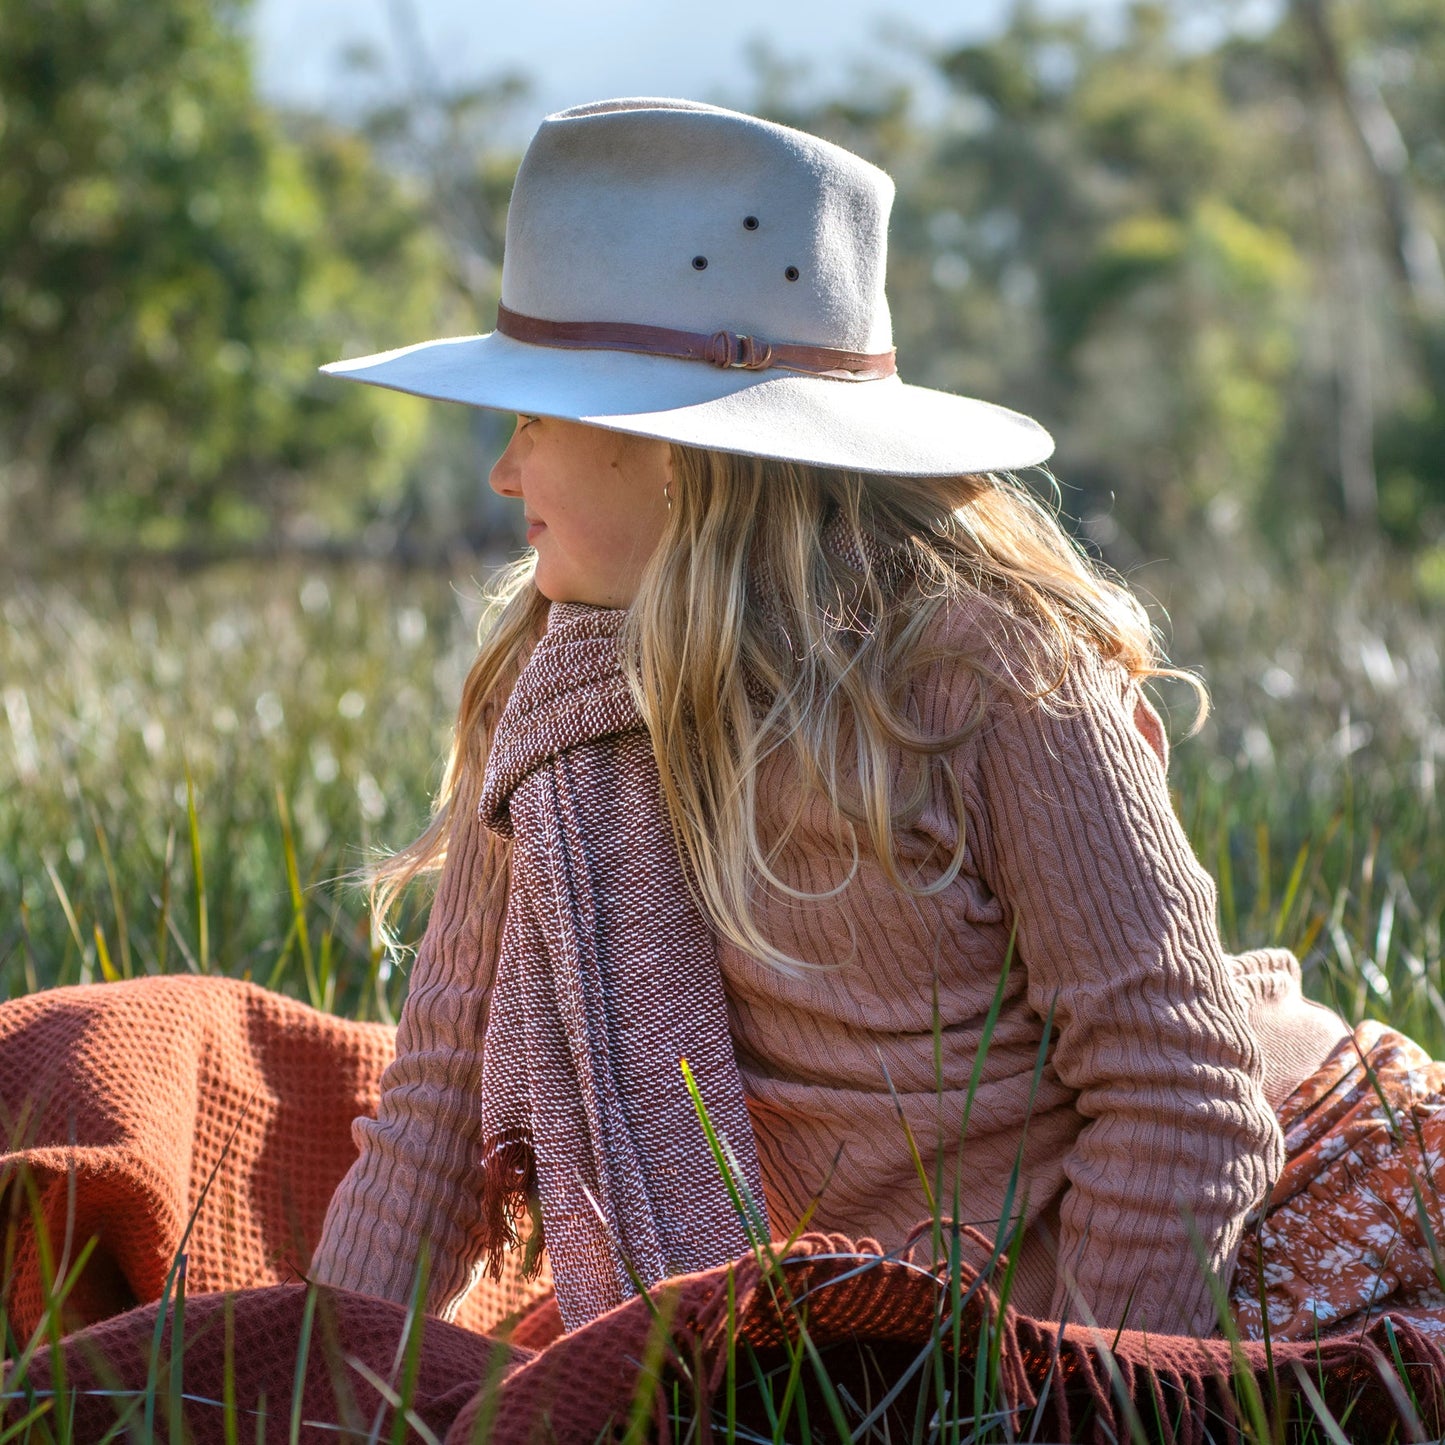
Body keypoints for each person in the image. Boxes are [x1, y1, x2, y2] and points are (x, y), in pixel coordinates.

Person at [296, 96, 1407, 1345]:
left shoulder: (987, 669)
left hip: (1209, 1239)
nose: (504, 473)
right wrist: (312, 1389)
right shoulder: (551, 706)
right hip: (855, 1315)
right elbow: (441, 1106)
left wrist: (1070, 1403)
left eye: (533, 419)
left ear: (674, 451)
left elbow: (1180, 1092)